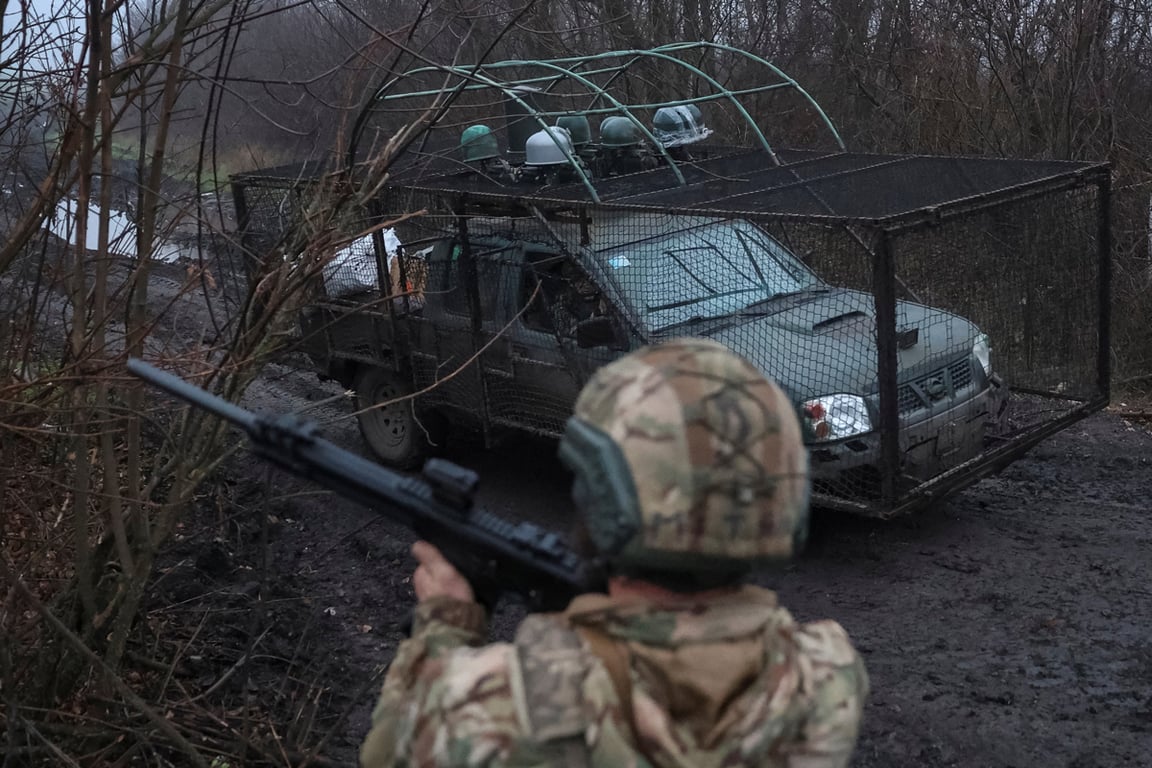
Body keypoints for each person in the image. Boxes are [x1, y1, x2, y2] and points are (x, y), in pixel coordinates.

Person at [360, 338, 869, 768]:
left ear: (599, 496)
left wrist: (444, 622)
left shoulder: (510, 703)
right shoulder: (826, 672)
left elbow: (389, 751)